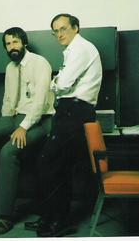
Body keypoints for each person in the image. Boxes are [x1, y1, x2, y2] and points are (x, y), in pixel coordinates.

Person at [29, 14, 102, 237]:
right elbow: (62, 84)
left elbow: (64, 83)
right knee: (57, 166)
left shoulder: (80, 48)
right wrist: (58, 84)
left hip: (75, 111)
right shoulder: (73, 49)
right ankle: (52, 218)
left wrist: (55, 83)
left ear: (76, 28)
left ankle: (56, 221)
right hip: (70, 110)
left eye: (64, 29)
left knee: (50, 163)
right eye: (56, 31)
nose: (60, 34)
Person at [0, 27, 55, 235]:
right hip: (15, 117)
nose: (12, 47)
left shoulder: (40, 63)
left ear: (24, 43)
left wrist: (23, 128)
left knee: (8, 151)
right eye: (8, 44)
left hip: (41, 121)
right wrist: (4, 124)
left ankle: (4, 215)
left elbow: (40, 101)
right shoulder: (10, 67)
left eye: (15, 42)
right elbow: (9, 100)